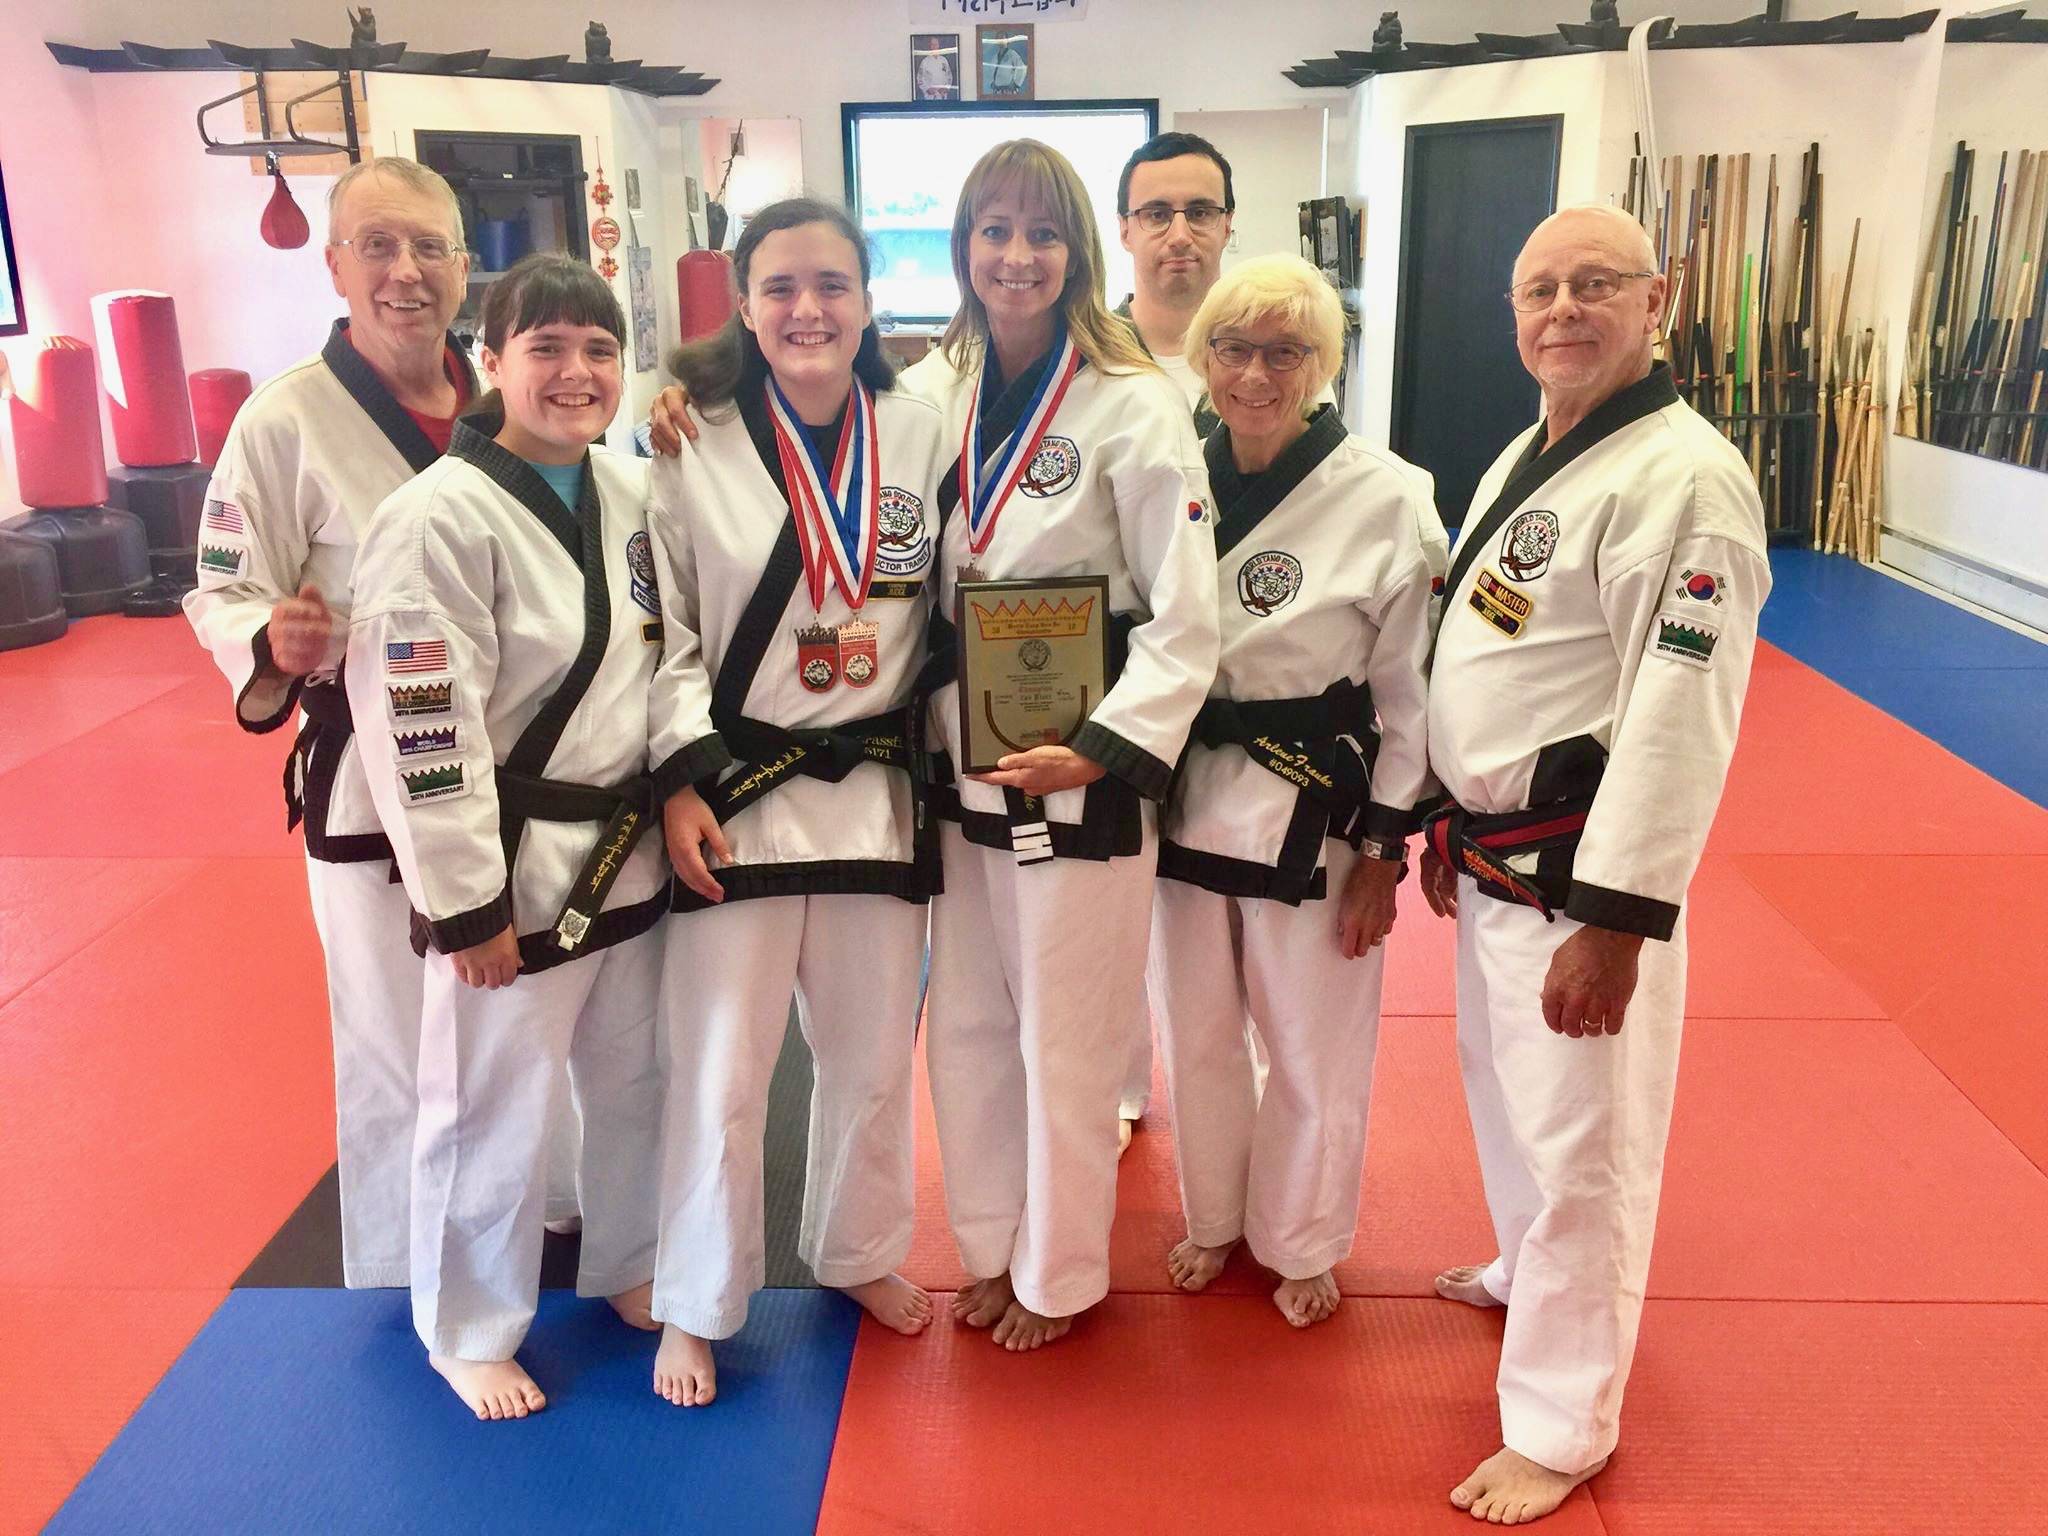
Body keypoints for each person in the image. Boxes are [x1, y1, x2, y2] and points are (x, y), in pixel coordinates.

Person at [1422, 205, 1769, 1523]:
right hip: (1501, 855)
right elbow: (1499, 646)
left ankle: (1565, 1424)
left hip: (1580, 881)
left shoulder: (1686, 481)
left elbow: (1683, 715)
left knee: (1586, 1151)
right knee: (1509, 1100)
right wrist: (1452, 813)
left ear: (1658, 300)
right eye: (1540, 290)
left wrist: (1618, 920)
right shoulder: (1543, 446)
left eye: (1596, 285)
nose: (1563, 310)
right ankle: (1525, 1272)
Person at [903, 139, 1220, 1350]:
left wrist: (1106, 743)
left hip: (1079, 767)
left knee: (1069, 1035)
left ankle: (1059, 1271)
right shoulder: (934, 387)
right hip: (959, 756)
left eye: (1040, 234)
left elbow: (1188, 613)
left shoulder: (1133, 401)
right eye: (992, 230)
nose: (1015, 256)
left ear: (1078, 253)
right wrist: (693, 392)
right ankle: (988, 1244)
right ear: (963, 248)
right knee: (972, 1025)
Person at [345, 253, 667, 1421]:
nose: (575, 374)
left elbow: (664, 664)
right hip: (515, 871)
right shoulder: (434, 517)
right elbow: (419, 730)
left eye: (597, 351)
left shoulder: (632, 493)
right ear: (490, 363)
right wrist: (465, 904)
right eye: (545, 349)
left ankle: (628, 1258)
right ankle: (464, 1323)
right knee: (487, 1104)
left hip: (624, 851)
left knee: (637, 1078)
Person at [183, 158, 515, 1288]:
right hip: (374, 777)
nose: (404, 271)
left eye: (428, 246)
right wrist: (270, 642)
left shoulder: (510, 401)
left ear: (466, 267)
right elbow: (220, 588)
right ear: (333, 264)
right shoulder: (284, 420)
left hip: (522, 765)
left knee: (518, 1015)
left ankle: (538, 1216)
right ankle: (398, 1262)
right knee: (391, 1040)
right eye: (376, 245)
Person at [641, 198, 946, 1409]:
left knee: (870, 1058)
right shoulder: (686, 439)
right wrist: (674, 778)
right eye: (778, 288)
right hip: (736, 791)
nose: (807, 309)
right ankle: (696, 1301)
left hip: (875, 790)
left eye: (830, 284)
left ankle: (859, 1249)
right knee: (721, 1070)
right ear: (744, 306)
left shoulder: (922, 434)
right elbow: (657, 630)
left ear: (868, 300)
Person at [1146, 254, 1436, 1328]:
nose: (1255, 374)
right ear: (1202, 355)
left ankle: (1303, 1240)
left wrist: (1381, 853)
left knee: (1313, 1043)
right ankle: (1216, 1218)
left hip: (1312, 805)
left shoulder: (1389, 498)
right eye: (1232, 348)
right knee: (1197, 1032)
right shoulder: (1171, 472)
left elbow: (1410, 697)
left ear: (1323, 365)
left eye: (1285, 352)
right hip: (1175, 799)